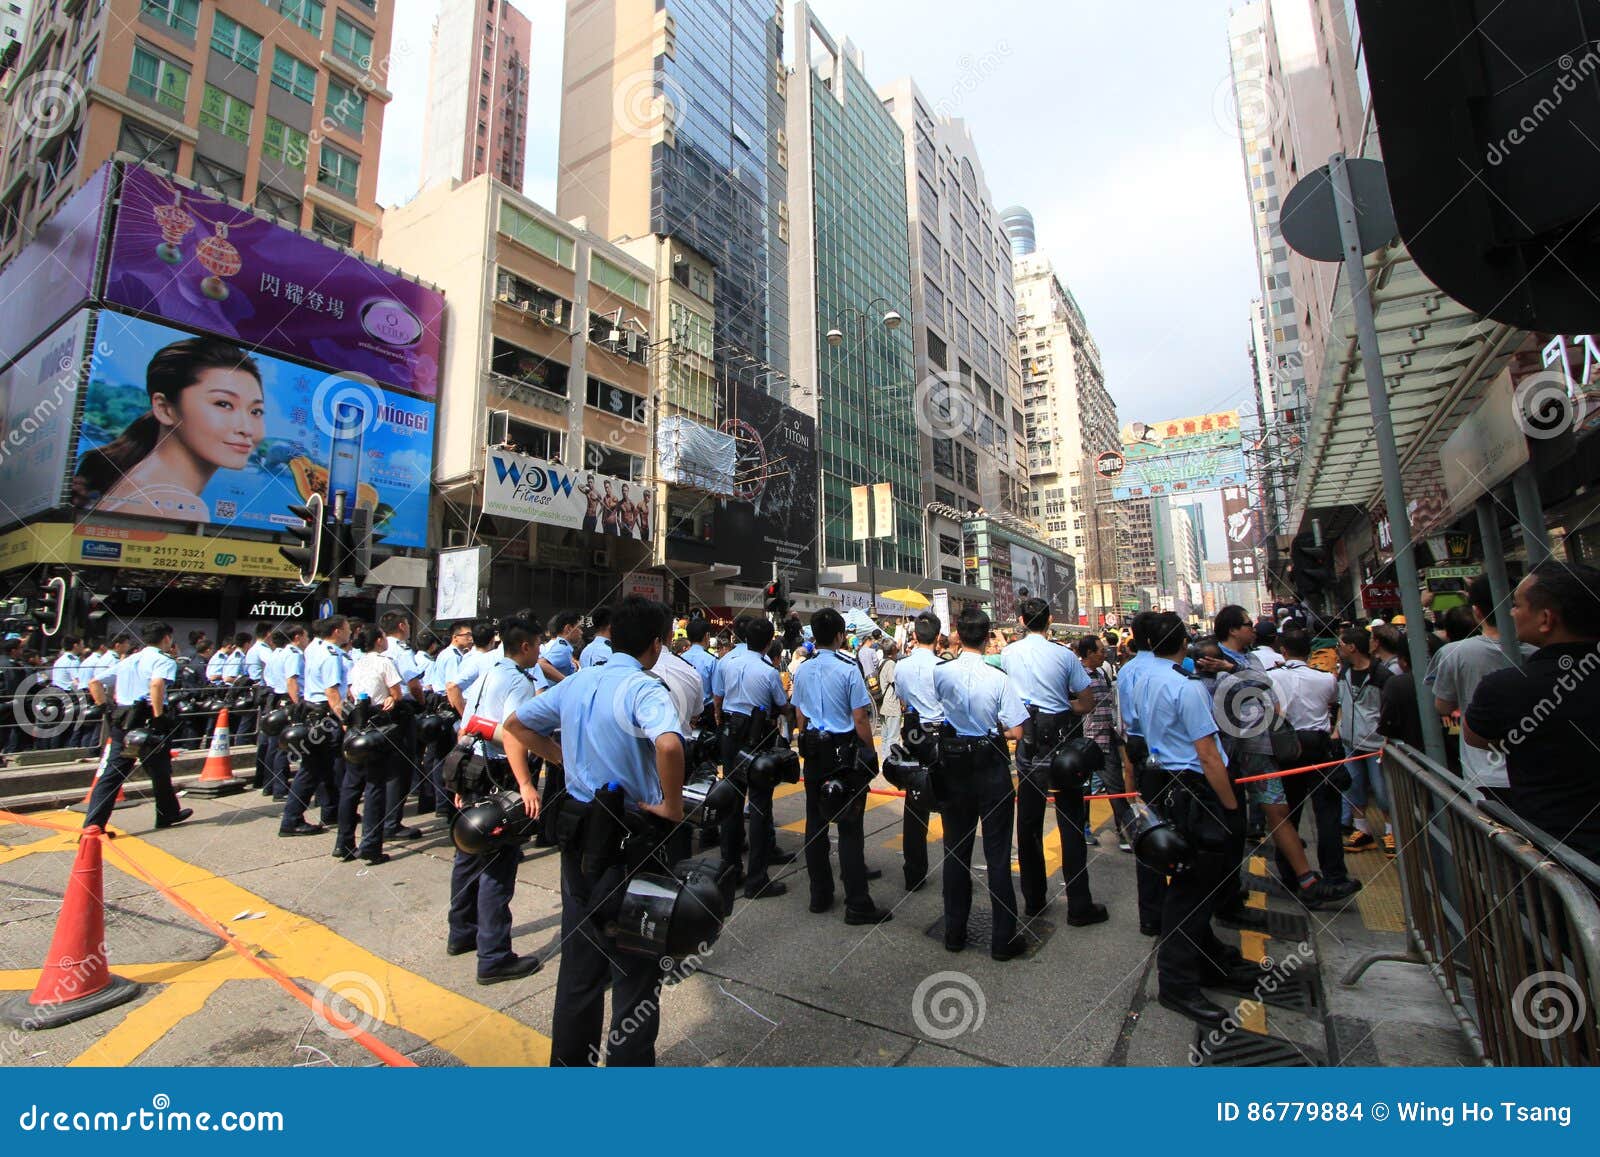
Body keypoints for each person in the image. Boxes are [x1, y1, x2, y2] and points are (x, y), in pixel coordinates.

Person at [499, 597, 687, 1065]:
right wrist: (672, 805)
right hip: (635, 838)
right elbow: (667, 743)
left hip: (580, 835)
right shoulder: (645, 687)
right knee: (637, 969)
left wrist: (561, 757)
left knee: (580, 968)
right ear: (656, 644)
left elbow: (515, 724)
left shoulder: (579, 682)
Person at [1133, 613, 1262, 1027]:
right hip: (1197, 791)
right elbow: (1208, 754)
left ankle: (1206, 963)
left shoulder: (1142, 678)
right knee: (1190, 893)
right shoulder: (1182, 687)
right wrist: (1230, 808)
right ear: (1183, 641)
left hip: (1169, 785)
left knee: (1194, 890)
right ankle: (1176, 984)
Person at [1465, 562, 1600, 862]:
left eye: (1516, 605)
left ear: (1546, 619)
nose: (1511, 613)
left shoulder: (1505, 688)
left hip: (1559, 866)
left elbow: (1475, 737)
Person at [71, 338, 265, 521]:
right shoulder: (179, 507)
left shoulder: (140, 483)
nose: (246, 428)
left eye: (256, 411)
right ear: (164, 409)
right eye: (223, 404)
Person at [451, 617, 547, 985]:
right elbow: (514, 734)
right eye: (537, 646)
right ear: (524, 647)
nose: (539, 652)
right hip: (499, 776)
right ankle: (494, 956)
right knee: (497, 866)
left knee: (468, 853)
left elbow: (468, 723)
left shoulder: (488, 671)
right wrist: (526, 784)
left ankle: (462, 932)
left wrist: (461, 776)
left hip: (473, 768)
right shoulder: (517, 680)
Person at [1000, 597, 1105, 925]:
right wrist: (1062, 706)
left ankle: (1033, 900)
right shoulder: (1064, 655)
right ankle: (1079, 905)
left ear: (1020, 620)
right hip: (1061, 743)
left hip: (1028, 744)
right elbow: (1087, 703)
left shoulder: (1008, 653)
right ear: (1049, 620)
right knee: (1071, 823)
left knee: (1028, 824)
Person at [936, 609, 1030, 959]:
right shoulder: (999, 678)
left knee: (955, 853)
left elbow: (933, 715)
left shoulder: (942, 674)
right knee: (998, 856)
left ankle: (953, 933)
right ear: (989, 635)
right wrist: (992, 733)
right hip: (991, 770)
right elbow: (1018, 730)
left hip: (954, 768)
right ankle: (1003, 940)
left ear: (958, 635)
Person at [791, 608, 892, 925]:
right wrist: (867, 750)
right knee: (849, 828)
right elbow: (860, 717)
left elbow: (799, 715)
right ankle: (857, 903)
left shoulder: (803, 670)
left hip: (814, 752)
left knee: (815, 824)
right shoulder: (848, 668)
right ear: (839, 636)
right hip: (843, 752)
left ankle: (819, 896)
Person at [1427, 575, 1536, 806]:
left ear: (1477, 612)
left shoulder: (1453, 653)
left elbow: (1442, 706)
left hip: (1484, 774)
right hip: (1538, 770)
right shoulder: (1539, 649)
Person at [1269, 628, 1360, 899]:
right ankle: (1334, 874)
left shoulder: (1272, 678)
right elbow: (1332, 704)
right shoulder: (1325, 680)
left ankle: (1288, 873)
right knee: (1327, 814)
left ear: (1283, 651)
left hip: (1287, 748)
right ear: (1309, 652)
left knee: (1288, 812)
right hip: (1320, 749)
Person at [82, 621, 191, 832]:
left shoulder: (129, 659)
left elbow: (94, 682)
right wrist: (159, 716)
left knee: (115, 772)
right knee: (159, 769)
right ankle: (166, 813)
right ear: (166, 638)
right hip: (148, 719)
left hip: (123, 718)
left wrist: (106, 707)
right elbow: (157, 684)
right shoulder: (163, 660)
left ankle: (94, 825)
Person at [713, 616, 792, 899]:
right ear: (770, 642)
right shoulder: (768, 671)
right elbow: (782, 706)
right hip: (757, 736)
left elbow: (718, 699)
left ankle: (730, 869)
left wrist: (723, 721)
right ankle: (757, 878)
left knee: (731, 804)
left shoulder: (726, 662)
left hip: (731, 733)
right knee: (759, 806)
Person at [1116, 612, 1164, 936]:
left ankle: (1150, 915)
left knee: (1150, 827)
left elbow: (1122, 719)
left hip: (1140, 750)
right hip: (1174, 757)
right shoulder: (1175, 669)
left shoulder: (1128, 670)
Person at [279, 616, 349, 838]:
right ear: (337, 631)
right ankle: (291, 819)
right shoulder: (330, 656)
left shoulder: (313, 647)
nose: (350, 632)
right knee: (311, 769)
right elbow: (332, 692)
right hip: (325, 714)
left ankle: (331, 811)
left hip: (314, 711)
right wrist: (344, 720)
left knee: (327, 768)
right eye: (347, 629)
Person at [338, 626, 400, 865]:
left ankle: (343, 843)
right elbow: (396, 694)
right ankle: (371, 846)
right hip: (375, 726)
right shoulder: (384, 663)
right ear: (377, 641)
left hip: (355, 724)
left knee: (351, 786)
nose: (386, 640)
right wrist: (391, 698)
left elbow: (351, 694)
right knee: (375, 787)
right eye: (383, 637)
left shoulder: (357, 663)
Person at [893, 612, 944, 892]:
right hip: (939, 734)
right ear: (938, 638)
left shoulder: (902, 666)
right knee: (950, 801)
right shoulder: (943, 667)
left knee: (915, 804)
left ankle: (913, 873)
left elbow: (902, 697)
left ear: (914, 637)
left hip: (914, 733)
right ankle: (956, 870)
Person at [1335, 627, 1393, 854]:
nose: (1337, 649)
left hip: (1375, 745)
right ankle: (1363, 831)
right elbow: (1342, 703)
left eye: (1340, 645)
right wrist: (1338, 728)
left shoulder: (1382, 676)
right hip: (1350, 741)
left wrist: (1386, 740)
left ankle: (1391, 832)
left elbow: (1388, 711)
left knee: (1382, 791)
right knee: (1353, 786)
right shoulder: (1345, 672)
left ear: (1352, 647)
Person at [1076, 635, 1132, 853]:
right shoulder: (1078, 676)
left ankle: (1126, 833)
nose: (1104, 653)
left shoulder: (1101, 672)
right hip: (1087, 740)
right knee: (1085, 788)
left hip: (1107, 737)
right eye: (1100, 650)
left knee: (1115, 787)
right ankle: (1083, 828)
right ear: (1089, 653)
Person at [379, 610, 428, 838]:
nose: (409, 627)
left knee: (380, 769)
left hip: (378, 711)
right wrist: (421, 704)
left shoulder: (376, 647)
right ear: (401, 626)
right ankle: (392, 824)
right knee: (400, 769)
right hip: (400, 711)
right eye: (407, 623)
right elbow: (414, 683)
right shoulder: (401, 649)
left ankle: (380, 820)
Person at [259, 629, 293, 800]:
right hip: (285, 698)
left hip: (273, 698)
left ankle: (269, 785)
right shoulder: (289, 655)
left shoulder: (272, 656)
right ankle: (279, 787)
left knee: (273, 745)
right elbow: (291, 680)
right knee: (282, 746)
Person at [680, 618, 717, 722]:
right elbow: (716, 692)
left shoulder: (681, 658)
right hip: (706, 712)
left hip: (684, 710)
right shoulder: (711, 660)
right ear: (706, 636)